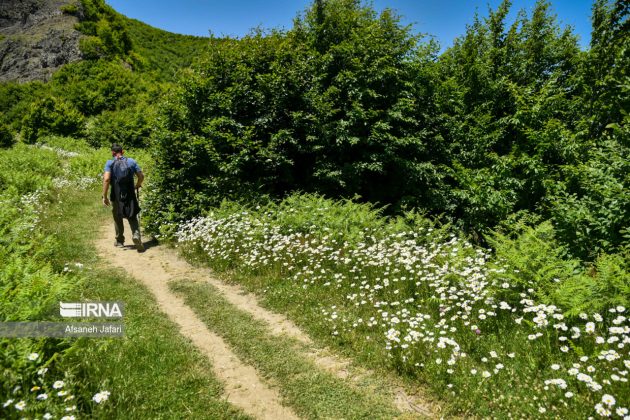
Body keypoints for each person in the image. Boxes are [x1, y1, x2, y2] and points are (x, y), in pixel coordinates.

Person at [102, 144, 145, 252]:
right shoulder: (131, 162)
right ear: (123, 151)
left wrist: (105, 196)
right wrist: (137, 185)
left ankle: (120, 241)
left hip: (115, 195)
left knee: (117, 216)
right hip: (129, 193)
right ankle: (136, 236)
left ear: (112, 152)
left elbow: (106, 179)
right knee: (132, 214)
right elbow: (141, 176)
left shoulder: (110, 163)